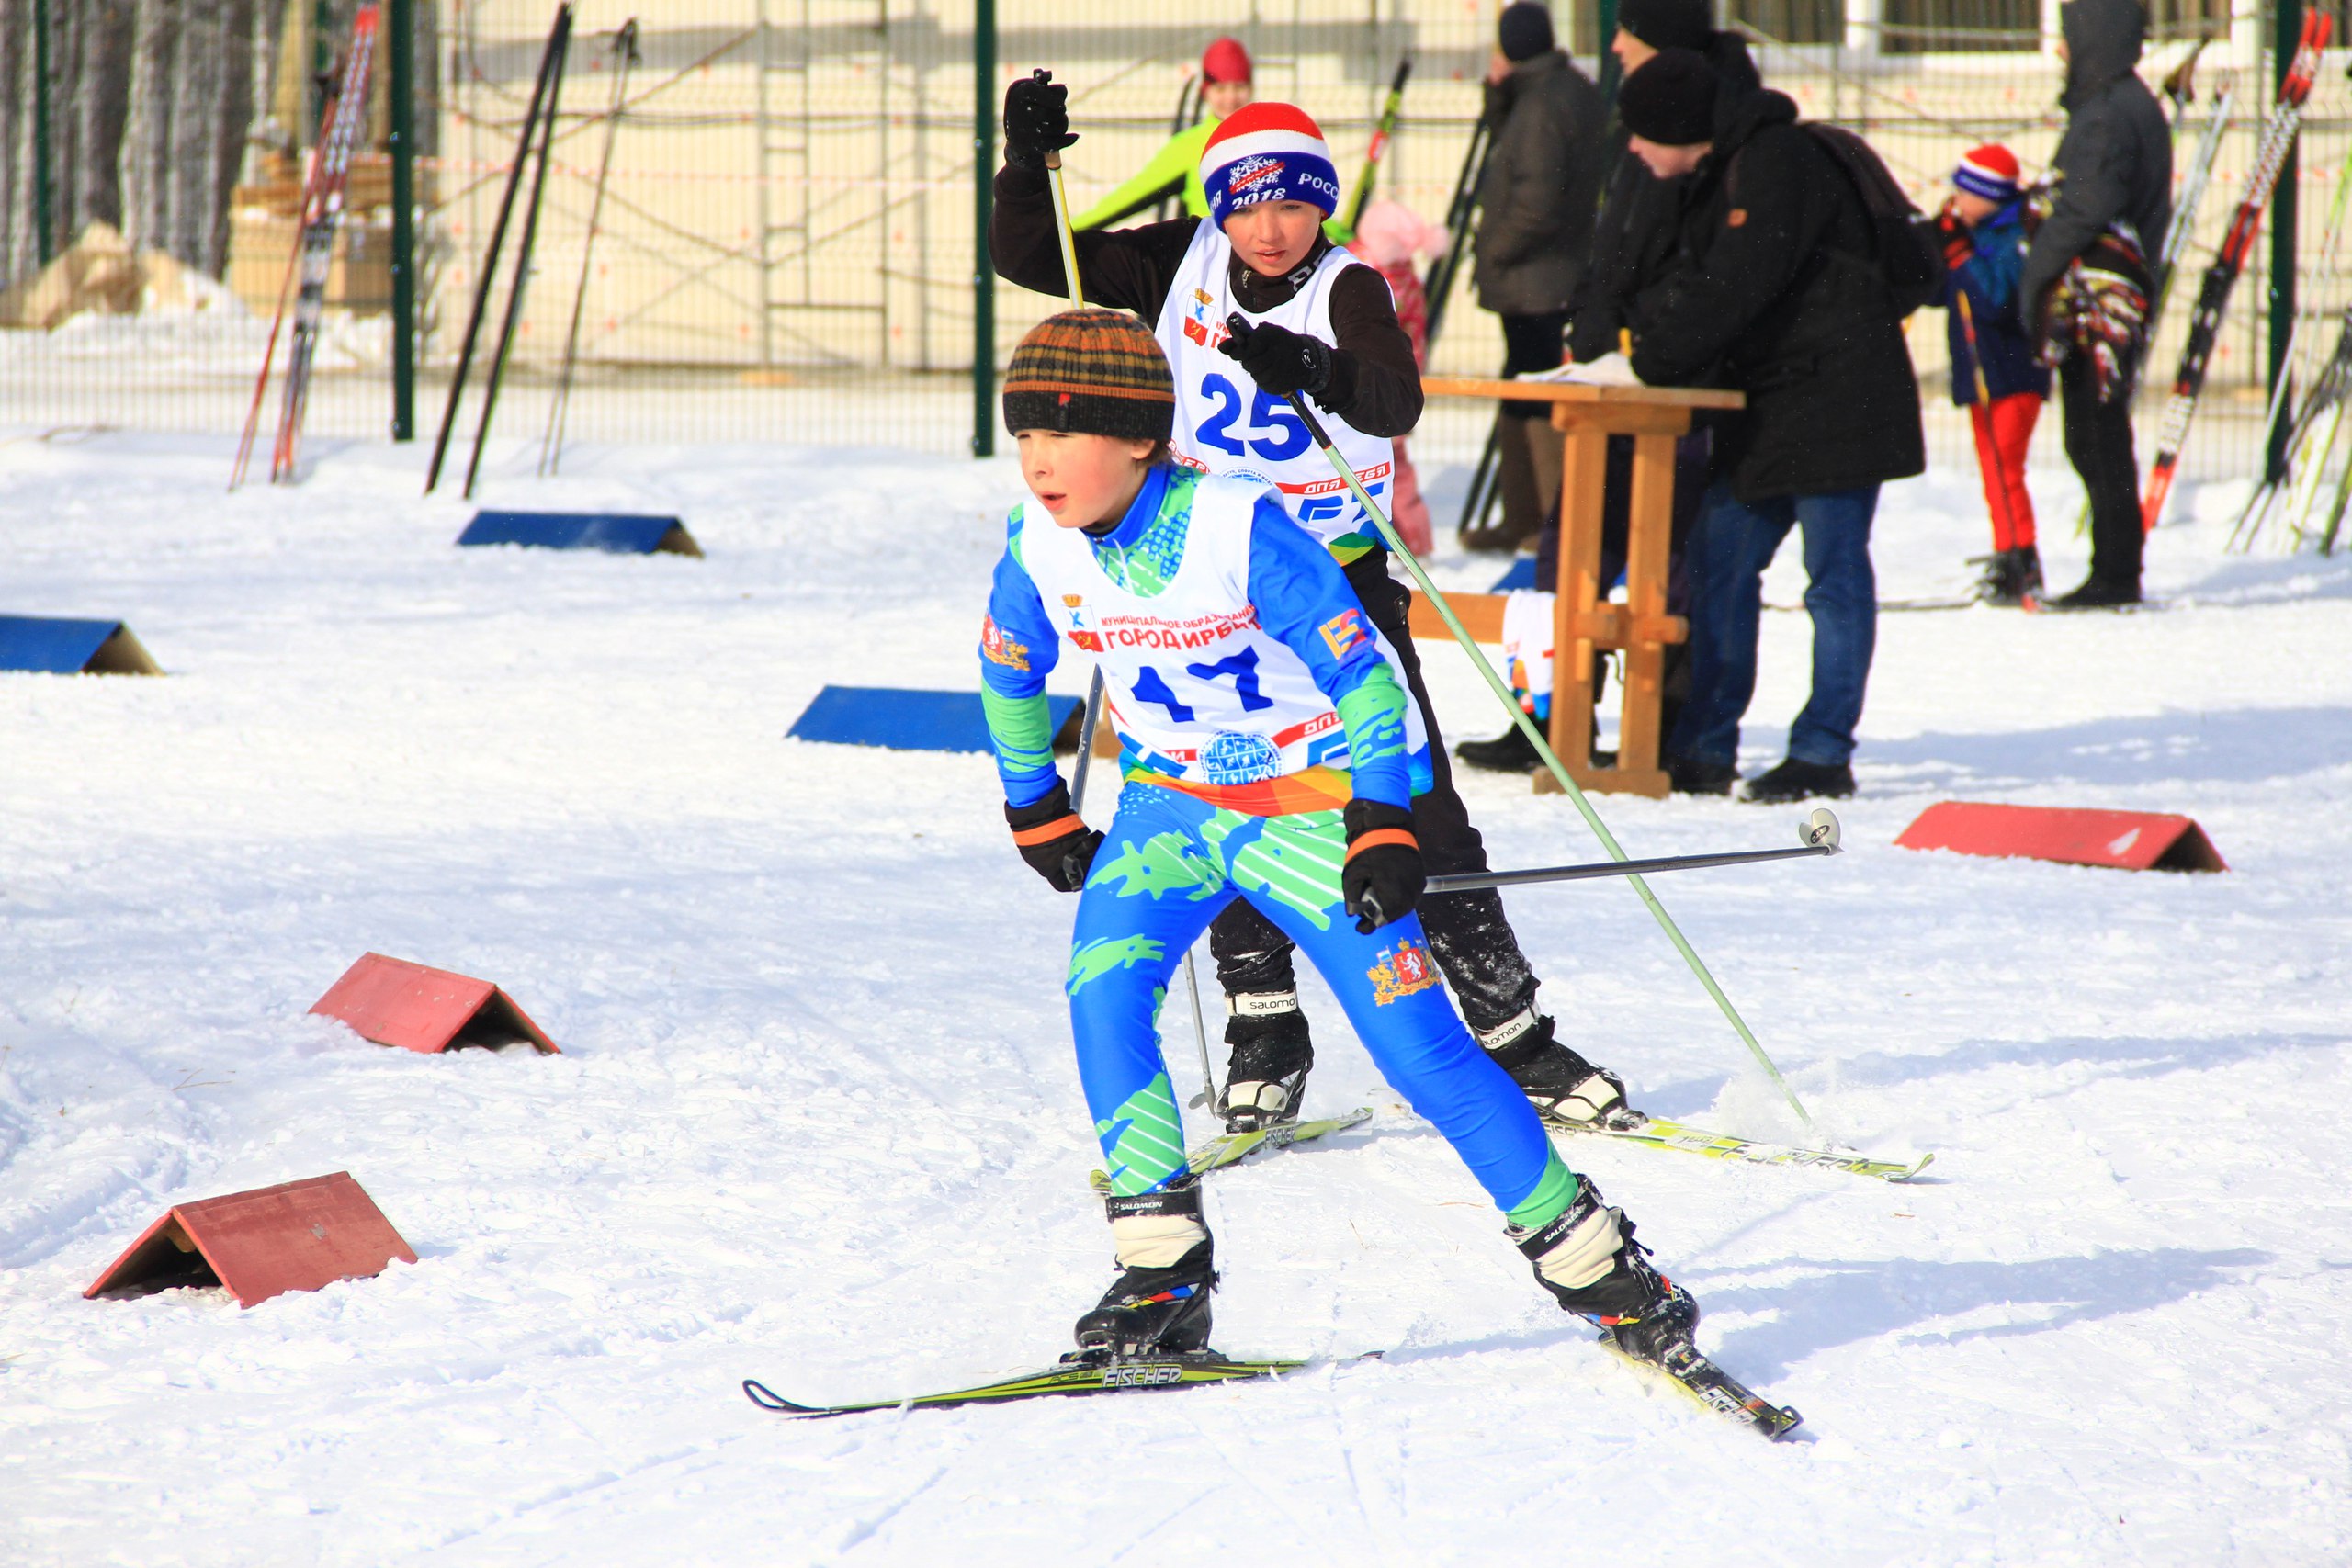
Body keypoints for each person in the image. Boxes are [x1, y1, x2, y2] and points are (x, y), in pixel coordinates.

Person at [975, 307, 1698, 1370]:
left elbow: (1364, 675)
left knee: (1419, 1052)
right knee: (1103, 994)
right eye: (1024, 433)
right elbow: (1008, 669)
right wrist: (1034, 802)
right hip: (1167, 811)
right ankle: (1160, 1270)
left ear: (1137, 437)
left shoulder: (1237, 526)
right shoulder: (1037, 539)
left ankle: (1599, 1265)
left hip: (1307, 804)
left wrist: (1379, 818)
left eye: (1062, 434)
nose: (1037, 461)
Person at [991, 83, 1632, 1136]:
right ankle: (1265, 1022)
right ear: (1219, 209)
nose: (1270, 228)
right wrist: (1026, 165)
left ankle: (1514, 1033)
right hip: (1206, 573)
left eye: (1293, 206)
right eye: (1247, 207)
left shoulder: (1345, 287)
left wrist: (1312, 366)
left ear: (1320, 207)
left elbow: (1392, 401)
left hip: (1329, 579)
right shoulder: (1179, 260)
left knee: (1413, 797)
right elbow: (1035, 255)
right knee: (1223, 786)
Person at [1457, 0, 1758, 773]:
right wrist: (1589, 331)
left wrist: (1637, 339)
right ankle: (1548, 720)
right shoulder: (1639, 123)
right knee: (1567, 552)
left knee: (1670, 564)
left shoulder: (1714, 139)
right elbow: (1613, 246)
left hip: (1671, 388)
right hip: (1608, 370)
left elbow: (1693, 273)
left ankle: (1669, 731)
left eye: (1630, 30)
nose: (1615, 42)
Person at [1618, 50, 1924, 804]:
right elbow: (1698, 281)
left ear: (1679, 127)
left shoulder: (1774, 161)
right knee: (1722, 560)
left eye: (1640, 132)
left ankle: (1822, 751)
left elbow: (1738, 282)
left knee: (1833, 578)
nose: (1631, 148)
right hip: (1775, 405)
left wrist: (1657, 357)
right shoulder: (1722, 170)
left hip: (1842, 403)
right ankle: (1703, 744)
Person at [2019, 0, 2170, 609]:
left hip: (2099, 300)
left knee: (2094, 433)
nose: (2060, 51)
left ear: (2095, 43)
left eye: (2068, 39)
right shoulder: (2123, 104)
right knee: (2098, 431)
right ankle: (2114, 566)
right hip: (2111, 293)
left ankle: (2114, 571)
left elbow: (2084, 206)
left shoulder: (2107, 116)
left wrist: (2036, 272)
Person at [1460, 2, 1608, 555]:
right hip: (1553, 269)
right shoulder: (1565, 88)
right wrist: (1499, 93)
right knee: (1521, 385)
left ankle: (1550, 523)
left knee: (1537, 387)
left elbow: (1538, 200)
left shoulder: (1542, 103)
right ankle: (1524, 518)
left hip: (1535, 275)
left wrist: (1492, 251)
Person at [1933, 144, 2050, 605]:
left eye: (1963, 191)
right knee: (1992, 469)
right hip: (1982, 373)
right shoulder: (1978, 232)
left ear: (1986, 195)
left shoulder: (2013, 236)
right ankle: (2007, 552)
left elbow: (1997, 298)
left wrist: (1961, 255)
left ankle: (2022, 557)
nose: (1956, 199)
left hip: (2012, 373)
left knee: (2006, 467)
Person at [1346, 198, 1448, 556]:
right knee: (1394, 471)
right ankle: (1416, 543)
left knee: (1368, 472)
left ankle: (1384, 546)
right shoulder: (1406, 278)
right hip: (1399, 387)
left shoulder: (1363, 273)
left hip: (1365, 389)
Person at [1071, 39, 1254, 230]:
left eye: (1239, 87)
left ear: (1250, 88)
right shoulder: (1192, 145)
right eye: (1220, 88)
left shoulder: (1267, 136)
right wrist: (1065, 233)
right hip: (1215, 254)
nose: (1230, 98)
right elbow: (1130, 196)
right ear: (1205, 91)